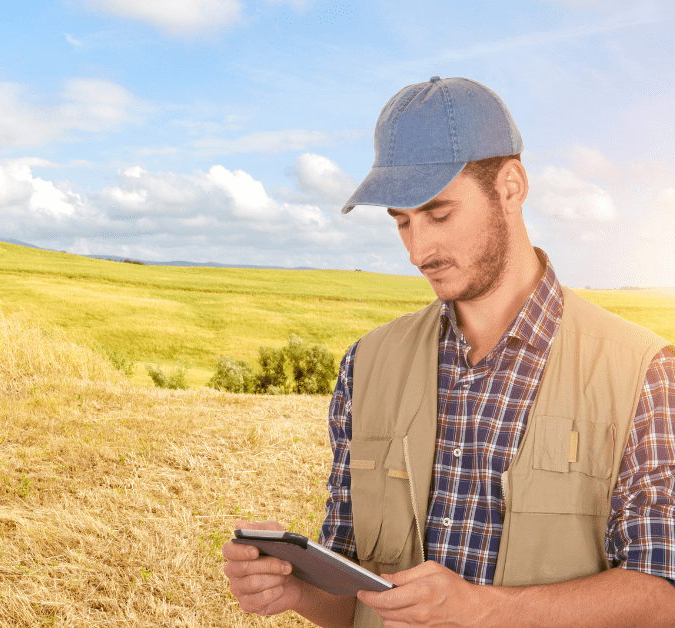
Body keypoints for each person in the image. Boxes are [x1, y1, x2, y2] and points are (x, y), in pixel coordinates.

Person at [221, 76, 675, 627]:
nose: (418, 251)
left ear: (510, 186)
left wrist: (483, 609)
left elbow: (661, 598)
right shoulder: (365, 366)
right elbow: (355, 599)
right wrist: (295, 590)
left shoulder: (644, 373)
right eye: (402, 222)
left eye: (438, 215)